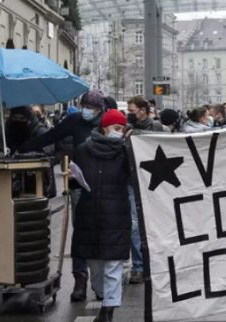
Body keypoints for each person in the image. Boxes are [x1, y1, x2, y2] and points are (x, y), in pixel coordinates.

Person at [19, 90, 105, 301]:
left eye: (91, 108)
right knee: (81, 233)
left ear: (100, 110)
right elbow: (51, 136)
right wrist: (22, 149)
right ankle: (80, 279)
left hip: (103, 185)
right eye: (84, 106)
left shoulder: (106, 122)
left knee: (101, 233)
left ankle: (100, 281)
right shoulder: (75, 120)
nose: (87, 111)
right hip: (78, 184)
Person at [72, 109, 131, 322]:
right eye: (116, 127)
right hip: (89, 215)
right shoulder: (82, 150)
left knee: (112, 268)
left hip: (115, 216)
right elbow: (74, 181)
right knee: (96, 268)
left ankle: (108, 311)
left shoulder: (125, 151)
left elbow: (134, 178)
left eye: (122, 128)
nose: (119, 132)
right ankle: (104, 296)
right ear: (104, 127)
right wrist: (70, 178)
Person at [124, 96, 168, 286]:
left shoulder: (159, 129)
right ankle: (139, 266)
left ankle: (157, 264)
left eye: (132, 111)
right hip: (132, 181)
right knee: (134, 224)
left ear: (143, 110)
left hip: (153, 181)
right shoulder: (127, 130)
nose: (129, 114)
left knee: (156, 223)